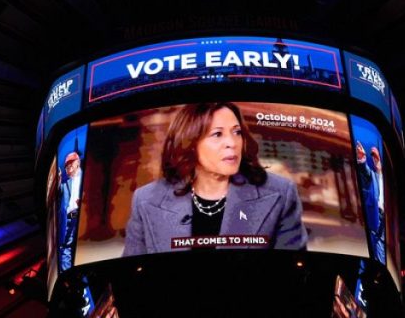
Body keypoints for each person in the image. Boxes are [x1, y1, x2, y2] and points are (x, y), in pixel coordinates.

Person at [122, 102, 307, 255]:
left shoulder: (280, 193)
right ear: (190, 143)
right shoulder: (146, 200)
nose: (232, 143)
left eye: (237, 132)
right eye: (217, 134)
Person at [355, 140, 386, 264]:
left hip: (385, 223)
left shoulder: (389, 183)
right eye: (375, 159)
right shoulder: (373, 177)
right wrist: (362, 159)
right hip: (374, 217)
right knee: (368, 252)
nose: (376, 161)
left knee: (381, 254)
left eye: (378, 159)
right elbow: (364, 170)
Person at [58, 151, 82, 271]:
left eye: (70, 164)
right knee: (66, 246)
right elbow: (57, 192)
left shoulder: (88, 176)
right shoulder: (66, 183)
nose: (68, 167)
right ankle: (68, 274)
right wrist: (56, 180)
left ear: (77, 163)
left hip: (84, 217)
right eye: (66, 165)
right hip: (71, 218)